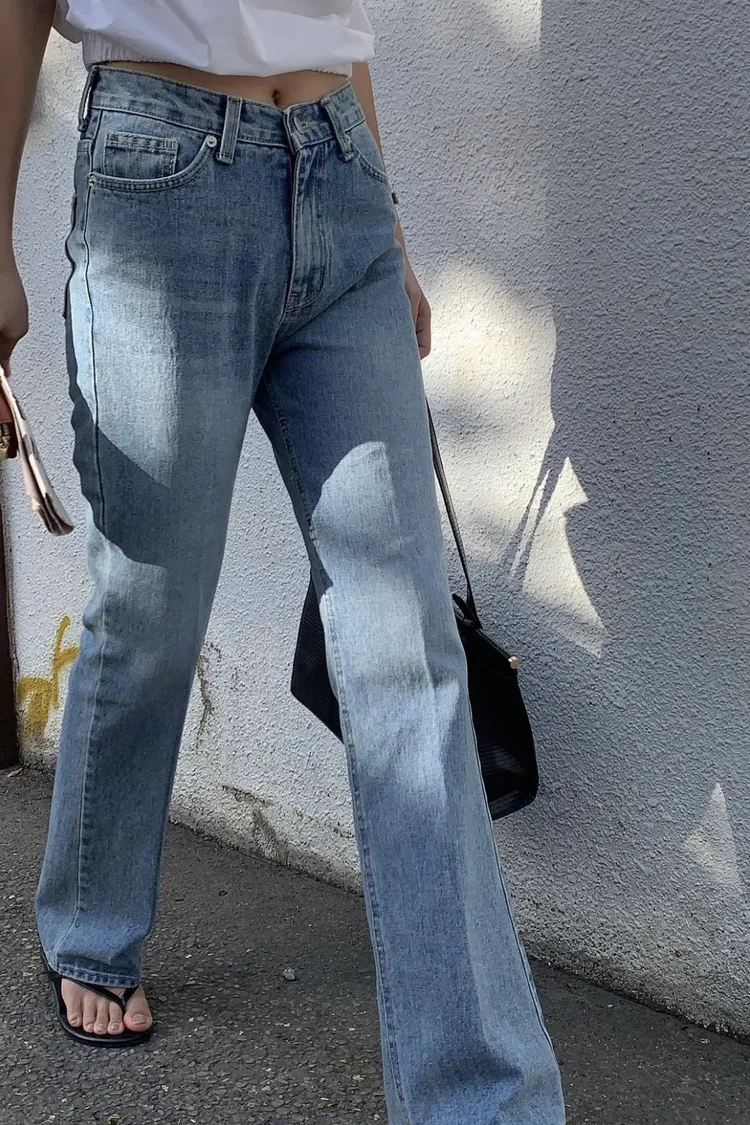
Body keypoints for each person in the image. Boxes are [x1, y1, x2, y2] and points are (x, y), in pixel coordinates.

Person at [0, 1, 566, 1120]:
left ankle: (482, 1097)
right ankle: (93, 926)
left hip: (341, 175)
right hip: (161, 175)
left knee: (409, 649)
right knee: (150, 617)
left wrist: (387, 228)